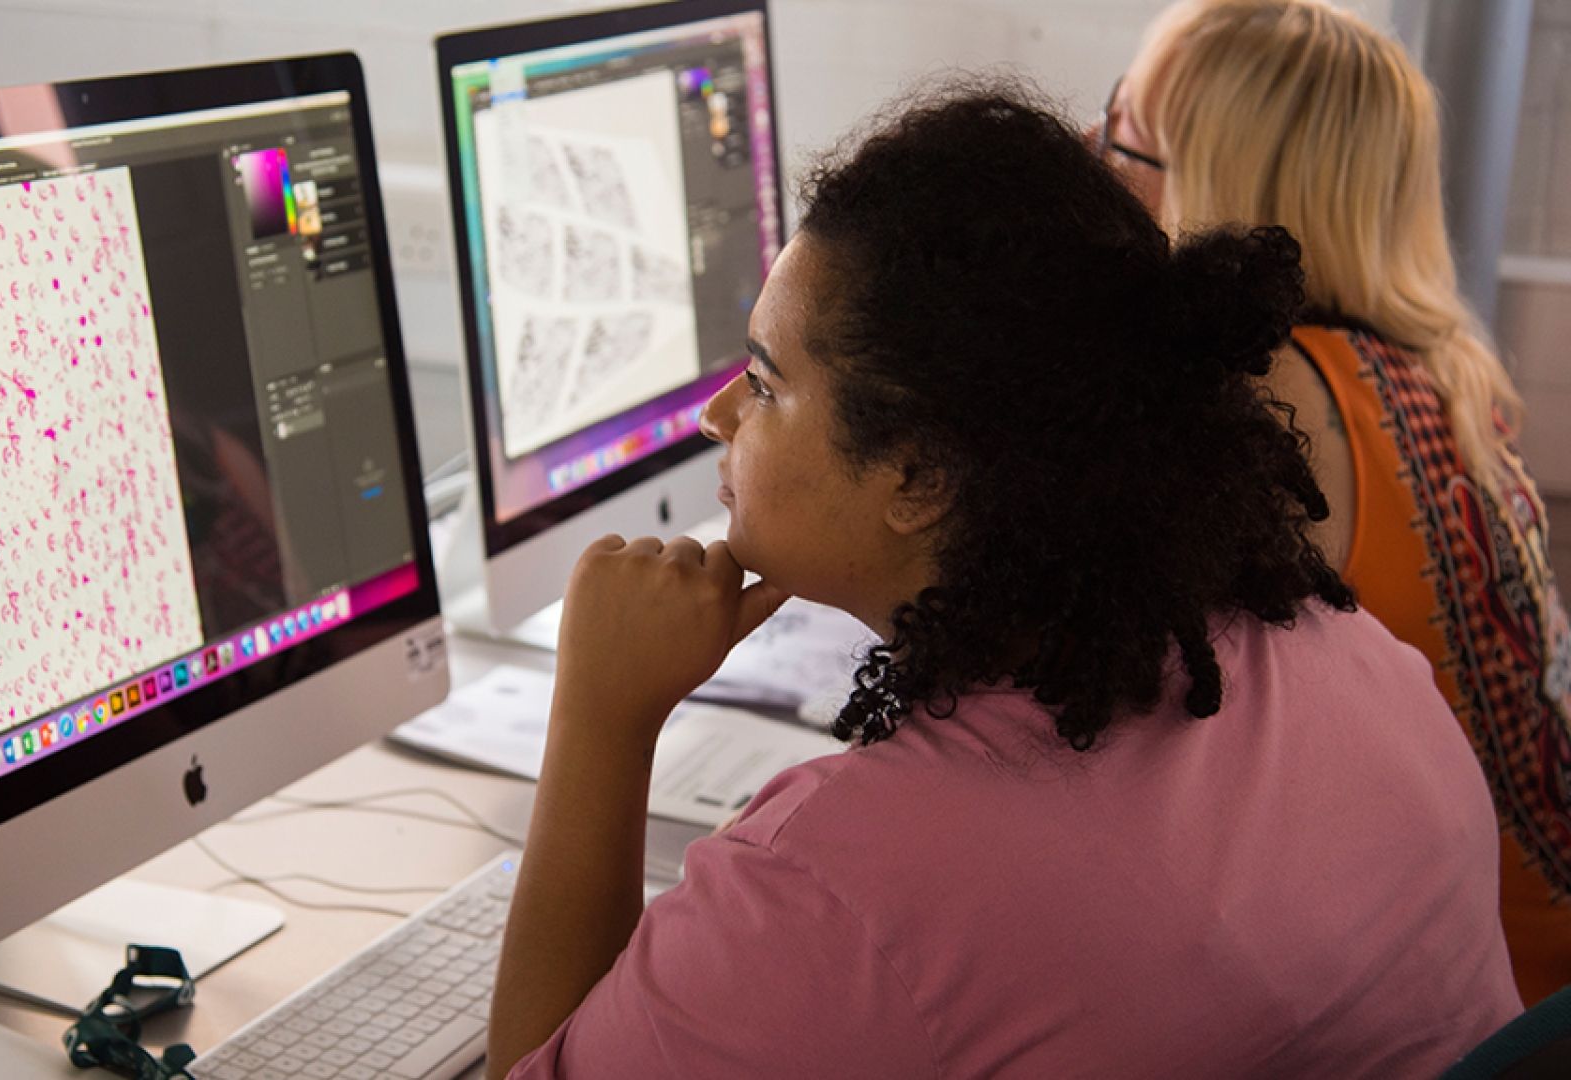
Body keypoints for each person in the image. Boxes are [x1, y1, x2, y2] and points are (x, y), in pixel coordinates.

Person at [485, 82, 1519, 1079]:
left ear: (922, 475)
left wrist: (601, 722)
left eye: (765, 382)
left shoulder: (843, 891)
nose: (719, 416)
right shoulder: (1356, 658)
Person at [1101, 0, 1571, 1004]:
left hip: (1474, 995)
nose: (1100, 173)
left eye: (1124, 141)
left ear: (1219, 192)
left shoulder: (1271, 405)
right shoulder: (1429, 365)